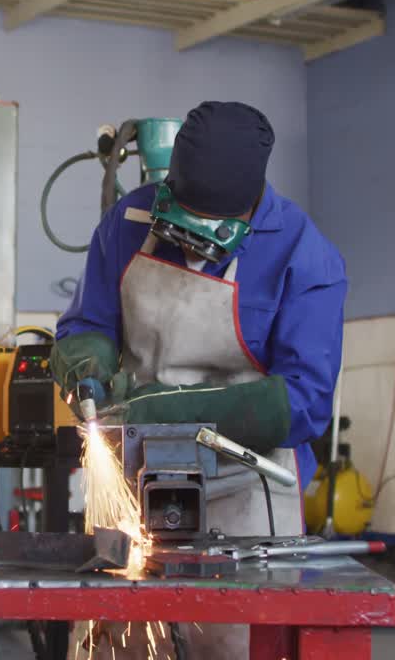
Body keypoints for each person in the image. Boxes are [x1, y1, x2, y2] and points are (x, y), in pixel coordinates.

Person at [53, 101, 346, 659]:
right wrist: (85, 367)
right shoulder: (129, 222)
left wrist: (168, 413)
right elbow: (88, 323)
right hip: (134, 482)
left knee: (233, 644)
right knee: (117, 643)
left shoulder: (302, 253)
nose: (188, 243)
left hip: (247, 490)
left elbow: (306, 402)